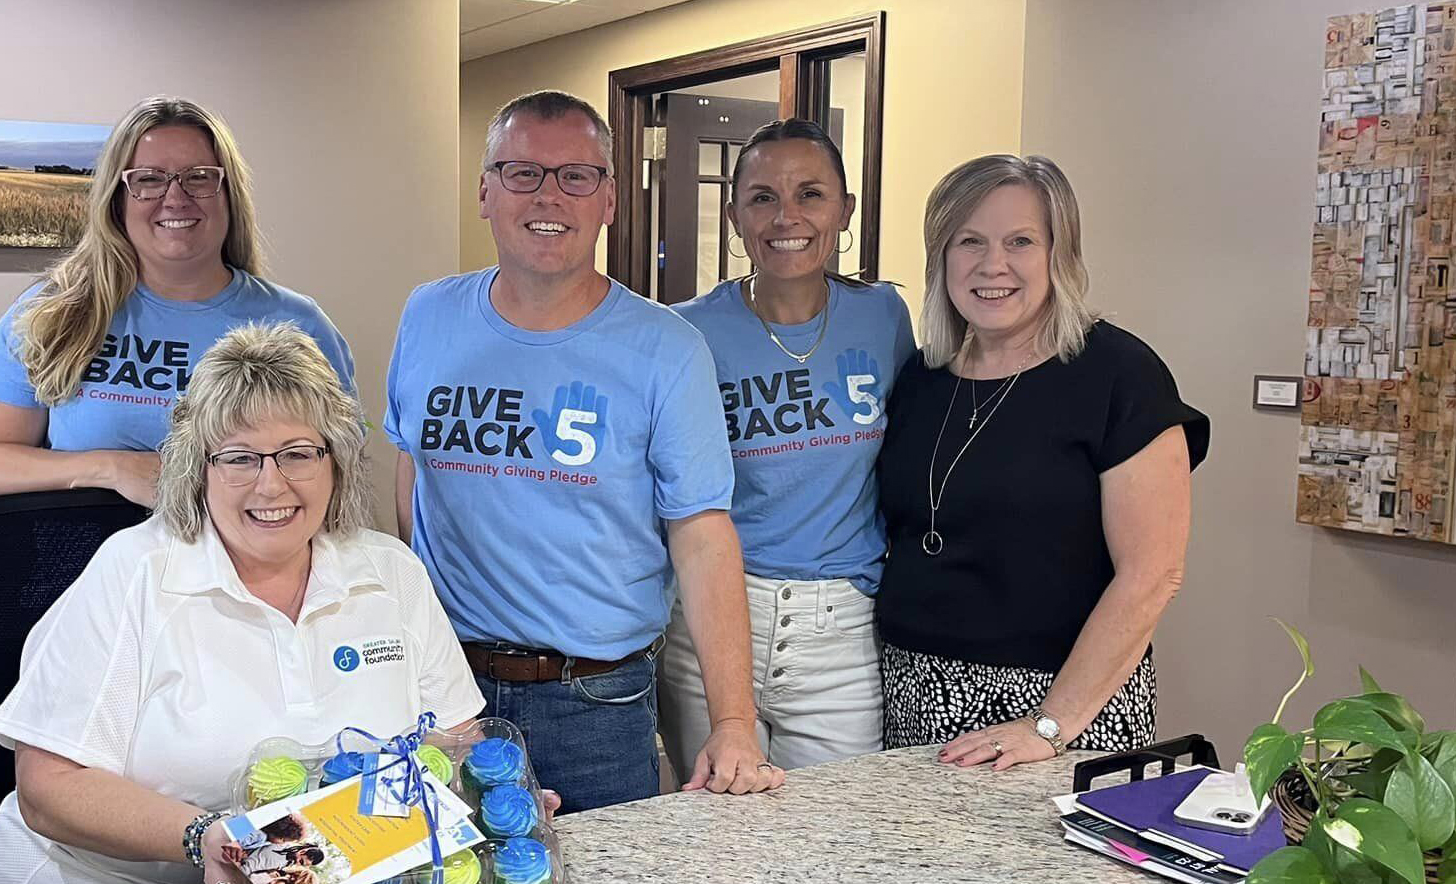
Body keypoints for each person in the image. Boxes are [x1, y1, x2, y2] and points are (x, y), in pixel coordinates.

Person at [0, 322, 482, 884]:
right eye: (240, 458)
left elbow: (453, 747)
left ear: (336, 462)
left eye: (298, 453)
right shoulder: (137, 572)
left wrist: (487, 805)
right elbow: (49, 791)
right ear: (197, 469)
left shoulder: (389, 572)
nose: (271, 484)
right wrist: (210, 839)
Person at [384, 90, 782, 813]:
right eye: (522, 172)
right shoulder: (428, 314)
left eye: (576, 175)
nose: (549, 195)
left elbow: (701, 536)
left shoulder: (666, 348)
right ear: (483, 191)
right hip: (444, 696)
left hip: (595, 700)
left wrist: (732, 723)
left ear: (607, 200)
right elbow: (410, 466)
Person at [873, 155, 1209, 769]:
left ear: (1060, 254)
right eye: (967, 241)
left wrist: (1050, 724)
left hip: (1061, 707)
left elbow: (1153, 575)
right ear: (940, 258)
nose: (991, 264)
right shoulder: (922, 378)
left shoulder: (1120, 376)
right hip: (911, 691)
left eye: (1020, 241)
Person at [659, 120, 914, 780]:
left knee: (836, 843)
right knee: (715, 841)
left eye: (810, 194)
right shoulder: (684, 331)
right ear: (735, 214)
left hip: (843, 633)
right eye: (763, 197)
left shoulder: (883, 315)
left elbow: (913, 457)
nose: (786, 217)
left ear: (844, 210)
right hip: (711, 624)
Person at [0, 95, 353, 507]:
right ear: (117, 198)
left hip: (243, 569)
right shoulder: (54, 314)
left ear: (229, 193)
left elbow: (336, 480)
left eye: (198, 177)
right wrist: (110, 468)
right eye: (148, 179)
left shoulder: (298, 324)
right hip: (85, 568)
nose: (175, 198)